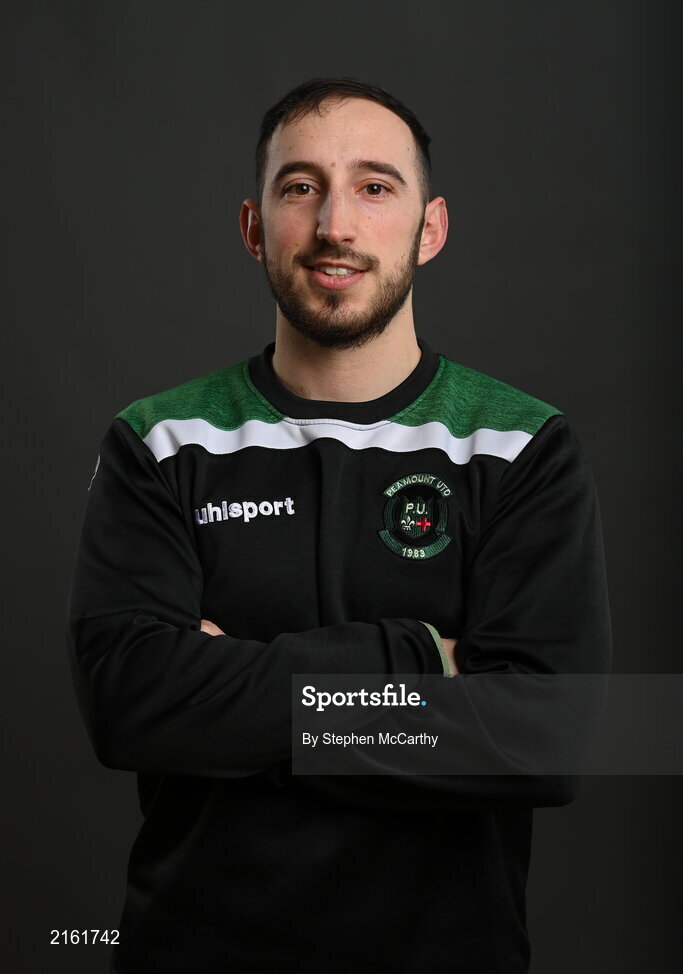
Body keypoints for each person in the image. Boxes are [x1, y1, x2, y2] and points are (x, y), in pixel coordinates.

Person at [68, 77, 611, 974]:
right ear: (254, 228)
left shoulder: (522, 445)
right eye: (299, 187)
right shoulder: (159, 441)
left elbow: (547, 743)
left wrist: (234, 687)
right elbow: (131, 707)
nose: (334, 226)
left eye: (373, 186)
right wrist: (423, 663)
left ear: (428, 228)